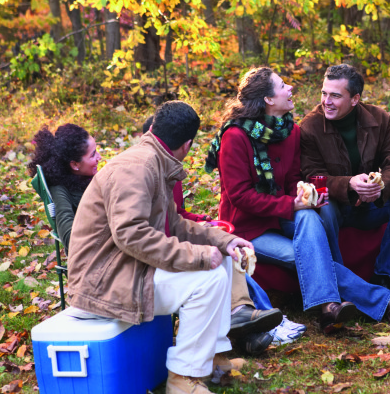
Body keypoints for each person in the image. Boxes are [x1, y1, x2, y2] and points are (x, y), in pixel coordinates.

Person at [67, 101, 262, 394]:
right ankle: (182, 378)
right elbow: (131, 234)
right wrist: (196, 256)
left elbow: (176, 223)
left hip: (126, 269)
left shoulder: (152, 161)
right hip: (103, 285)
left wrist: (225, 241)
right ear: (187, 144)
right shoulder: (137, 168)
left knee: (222, 261)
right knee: (207, 279)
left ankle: (212, 359)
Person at [205, 67, 390, 333]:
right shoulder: (235, 137)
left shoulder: (290, 132)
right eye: (282, 85)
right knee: (303, 254)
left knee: (310, 214)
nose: (291, 88)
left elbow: (293, 179)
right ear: (268, 99)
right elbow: (240, 196)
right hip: (250, 228)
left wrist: (303, 195)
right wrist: (291, 204)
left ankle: (330, 310)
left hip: (282, 216)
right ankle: (373, 301)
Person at [142, 115, 301, 350]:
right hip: (161, 253)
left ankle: (248, 332)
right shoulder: (145, 174)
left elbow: (175, 215)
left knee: (227, 250)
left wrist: (204, 221)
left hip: (173, 240)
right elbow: (148, 230)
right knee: (217, 258)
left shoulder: (170, 171)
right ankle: (263, 320)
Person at [300, 64, 390, 298]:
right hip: (337, 209)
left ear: (355, 99)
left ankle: (388, 276)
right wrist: (348, 184)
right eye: (324, 93)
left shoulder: (377, 118)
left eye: (335, 95)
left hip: (371, 206)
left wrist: (379, 188)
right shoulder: (310, 126)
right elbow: (311, 176)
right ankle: (339, 281)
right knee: (324, 207)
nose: (326, 101)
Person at [27, 124, 102, 253]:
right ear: (75, 164)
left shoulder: (82, 178)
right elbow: (69, 237)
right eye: (93, 155)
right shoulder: (60, 190)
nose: (99, 157)